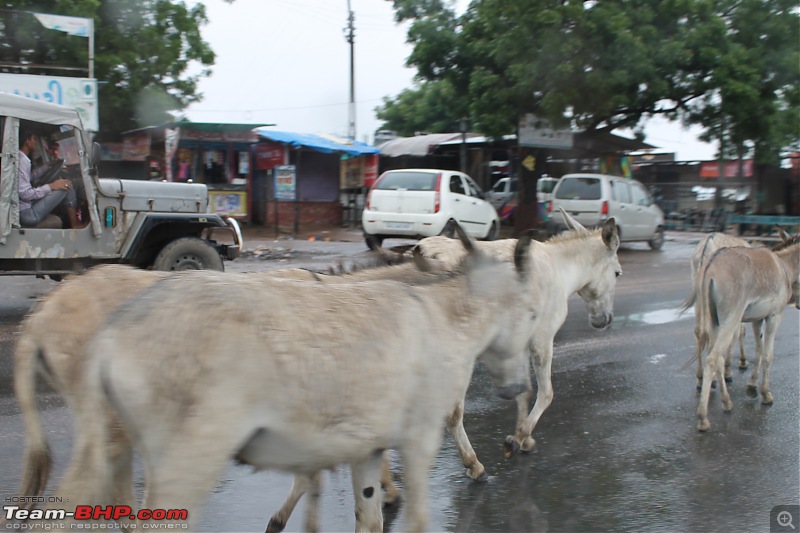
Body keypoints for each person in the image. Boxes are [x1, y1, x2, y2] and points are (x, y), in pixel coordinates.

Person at [18, 128, 84, 229]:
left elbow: (30, 177)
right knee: (67, 185)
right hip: (27, 213)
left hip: (25, 209)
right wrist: (51, 186)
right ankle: (75, 224)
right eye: (34, 139)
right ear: (27, 141)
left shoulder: (21, 158)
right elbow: (25, 194)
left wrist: (48, 166)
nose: (35, 143)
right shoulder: (22, 160)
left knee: (62, 184)